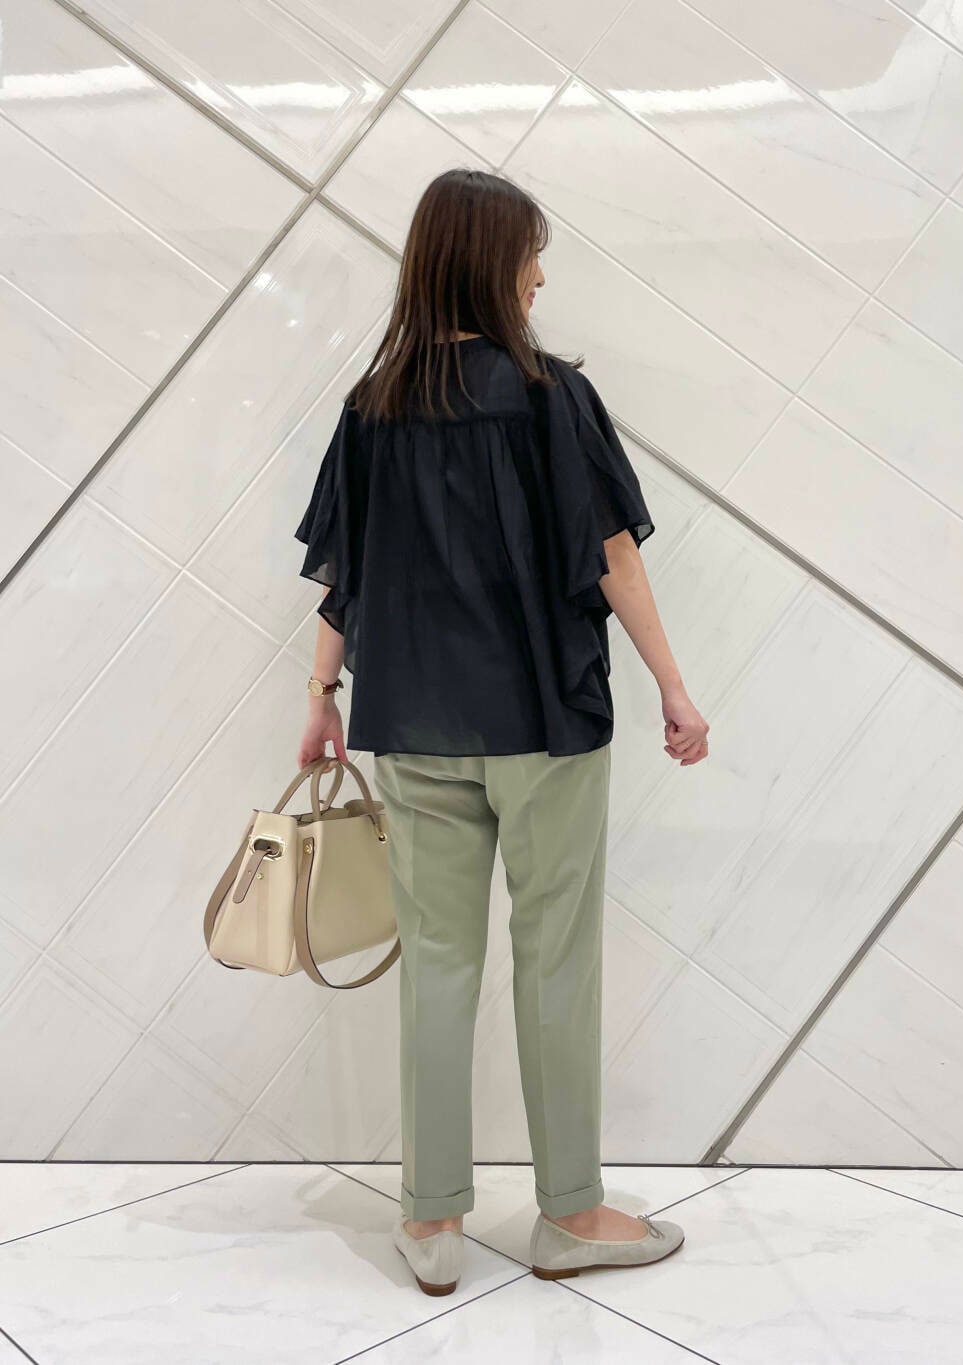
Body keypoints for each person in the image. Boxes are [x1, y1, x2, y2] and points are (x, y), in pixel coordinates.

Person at [293, 169, 710, 1295]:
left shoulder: (372, 406)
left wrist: (321, 696)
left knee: (436, 965)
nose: (539, 276)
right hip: (545, 725)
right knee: (555, 959)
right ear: (490, 262)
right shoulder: (550, 397)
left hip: (416, 724)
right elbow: (612, 556)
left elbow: (343, 574)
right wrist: (672, 686)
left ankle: (430, 1222)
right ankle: (568, 1212)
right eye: (531, 254)